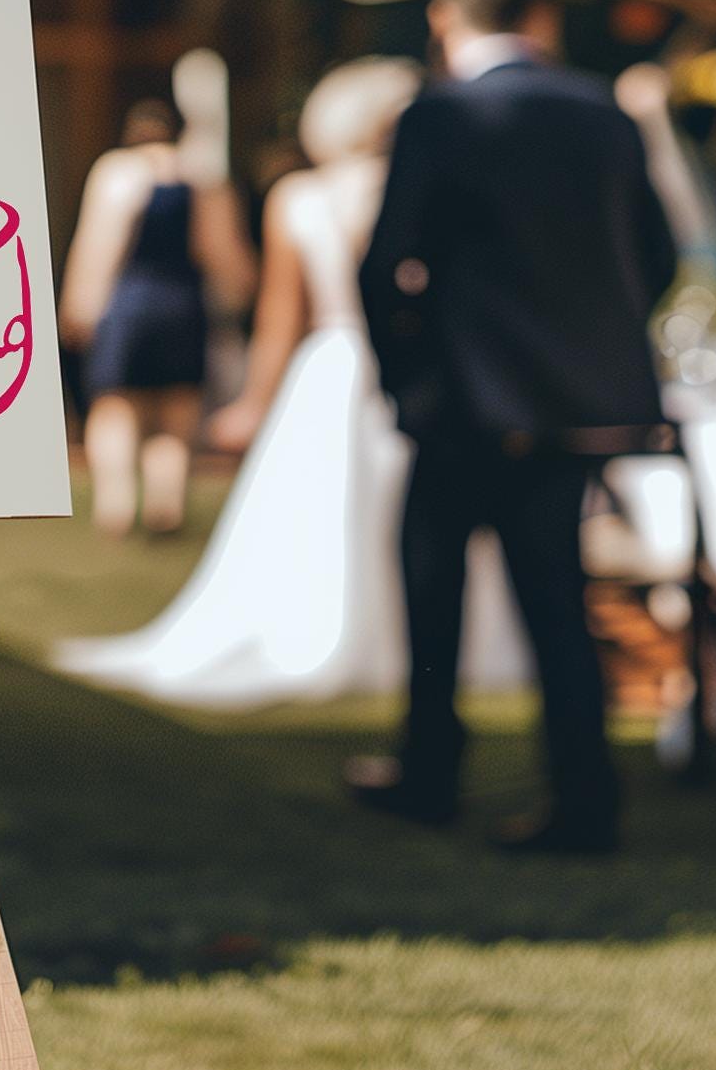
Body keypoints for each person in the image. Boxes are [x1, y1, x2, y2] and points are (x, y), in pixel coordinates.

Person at [53, 59, 529, 702]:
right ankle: (425, 648)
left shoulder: (302, 198)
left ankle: (129, 507)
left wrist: (255, 398)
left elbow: (282, 318)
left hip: (334, 367)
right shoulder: (440, 190)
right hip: (422, 373)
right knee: (421, 515)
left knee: (317, 511)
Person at [351, 0, 679, 855]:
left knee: (433, 588)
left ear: (443, 19)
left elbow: (387, 263)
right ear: (542, 18)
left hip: (464, 399)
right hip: (570, 408)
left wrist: (405, 379)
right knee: (557, 602)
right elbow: (656, 253)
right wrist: (590, 348)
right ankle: (585, 799)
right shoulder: (605, 113)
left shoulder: (442, 113)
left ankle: (429, 775)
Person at [58, 97, 254, 535]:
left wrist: (77, 306)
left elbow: (99, 245)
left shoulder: (118, 170)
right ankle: (166, 504)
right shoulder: (202, 177)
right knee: (177, 410)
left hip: (127, 304)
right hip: (183, 304)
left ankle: (118, 504)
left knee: (115, 407)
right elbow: (223, 255)